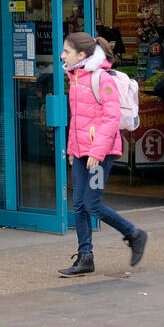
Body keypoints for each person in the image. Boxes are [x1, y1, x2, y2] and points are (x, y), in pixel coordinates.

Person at [57, 32, 148, 277]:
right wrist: (72, 149)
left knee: (92, 203)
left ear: (81, 55)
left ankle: (134, 234)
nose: (62, 55)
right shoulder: (75, 78)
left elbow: (110, 118)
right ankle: (85, 256)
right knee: (79, 204)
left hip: (101, 153)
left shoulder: (101, 79)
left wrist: (97, 151)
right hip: (81, 151)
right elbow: (77, 120)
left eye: (66, 51)